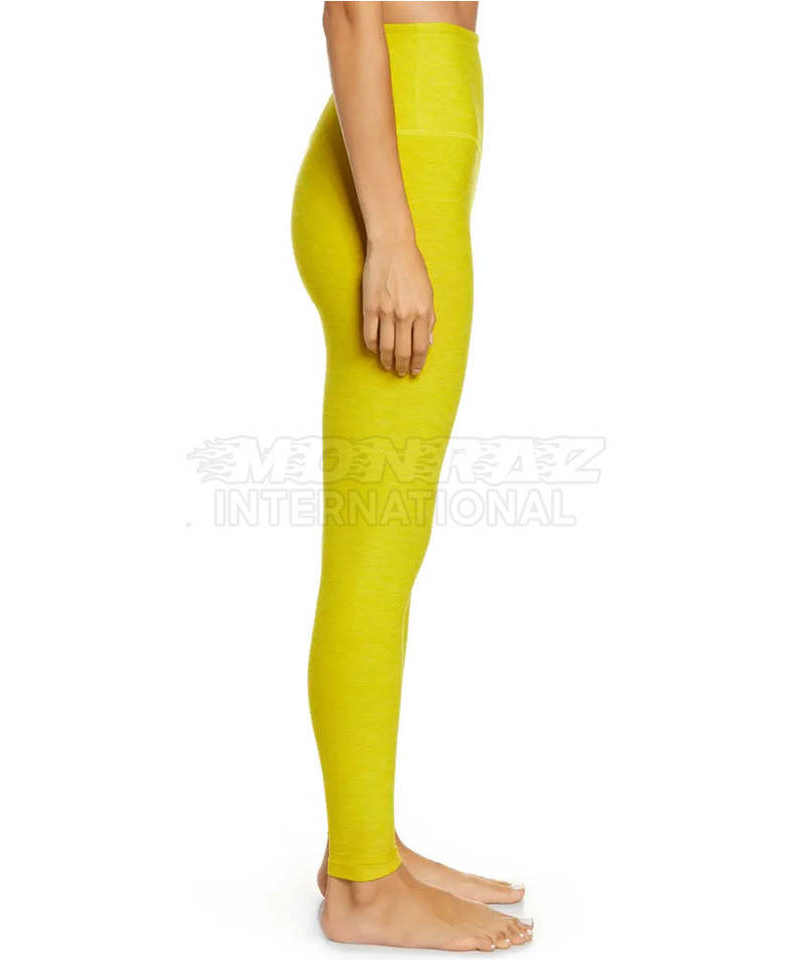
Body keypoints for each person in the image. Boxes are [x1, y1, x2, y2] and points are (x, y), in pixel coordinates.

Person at [292, 3, 533, 950]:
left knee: (385, 551)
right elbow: (351, 9)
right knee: (375, 558)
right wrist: (392, 238)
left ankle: (366, 843)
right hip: (399, 163)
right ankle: (362, 888)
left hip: (417, 128)